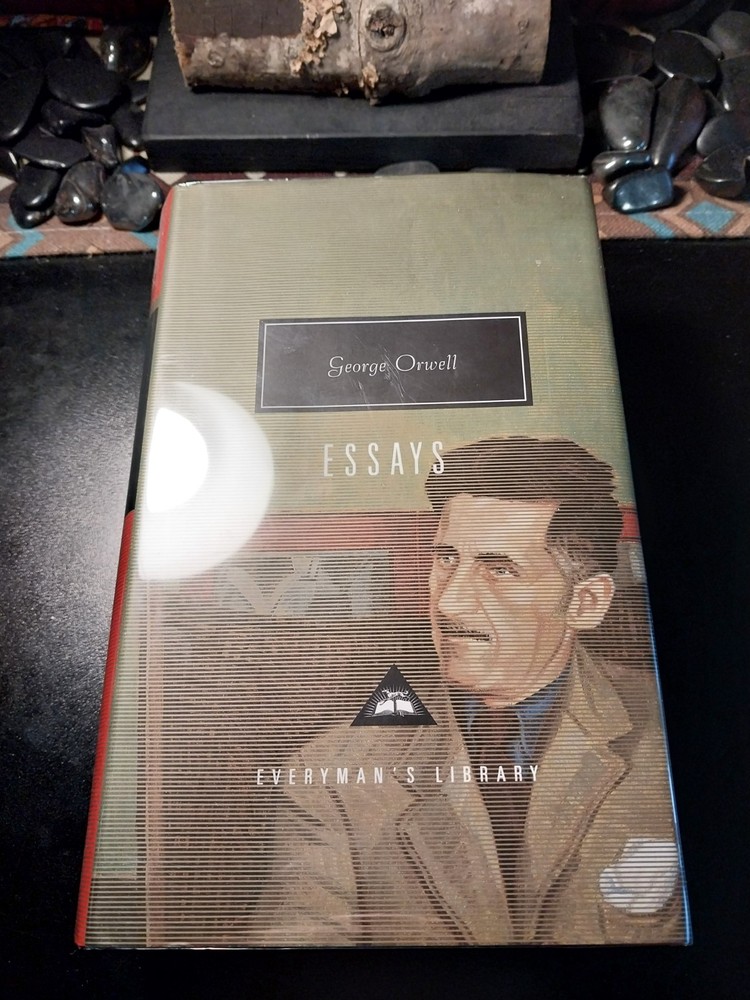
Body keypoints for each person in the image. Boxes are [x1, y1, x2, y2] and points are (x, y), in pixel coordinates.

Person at [255, 436, 687, 946]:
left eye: (499, 569)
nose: (450, 602)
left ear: (586, 603)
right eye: (446, 559)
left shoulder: (677, 737)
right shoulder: (329, 774)